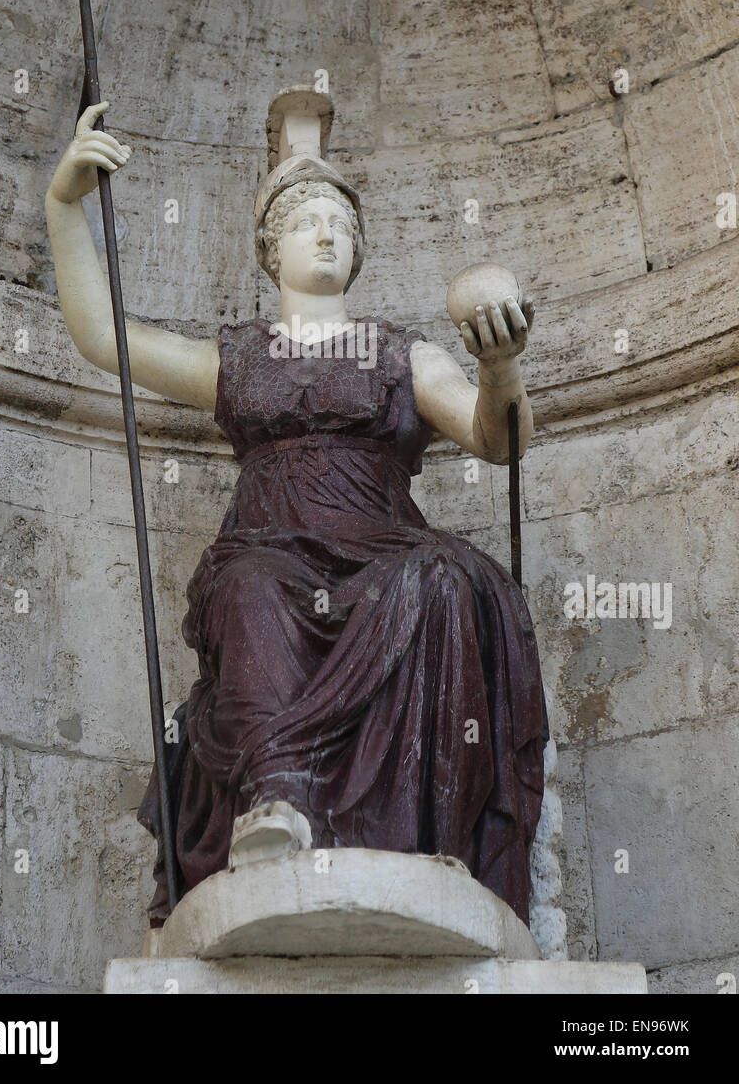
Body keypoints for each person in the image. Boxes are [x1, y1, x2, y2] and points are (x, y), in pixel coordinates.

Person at [45, 84, 548, 928]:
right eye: (307, 222)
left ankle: (431, 832)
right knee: (249, 590)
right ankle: (277, 804)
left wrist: (501, 370)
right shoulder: (237, 358)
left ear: (359, 252)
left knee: (446, 580)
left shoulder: (401, 354)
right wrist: (65, 203)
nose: (326, 233)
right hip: (270, 546)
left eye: (341, 226)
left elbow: (499, 441)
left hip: (383, 545)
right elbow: (104, 339)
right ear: (269, 251)